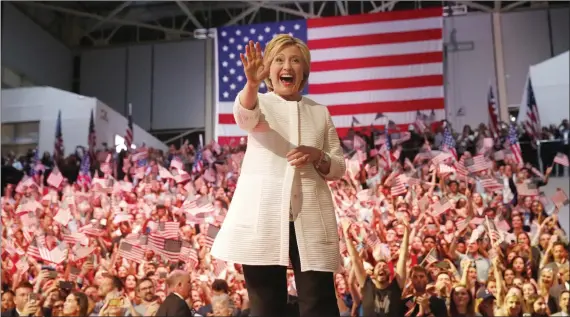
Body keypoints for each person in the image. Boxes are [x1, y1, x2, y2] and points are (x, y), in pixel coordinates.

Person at [211, 34, 345, 317]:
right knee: (266, 305)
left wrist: (317, 155)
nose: (288, 66)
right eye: (280, 60)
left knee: (319, 302)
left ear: (304, 71)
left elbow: (338, 167)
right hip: (265, 216)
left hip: (310, 216)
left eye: (296, 60)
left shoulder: (319, 112)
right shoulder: (259, 102)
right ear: (268, 70)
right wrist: (250, 83)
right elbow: (243, 116)